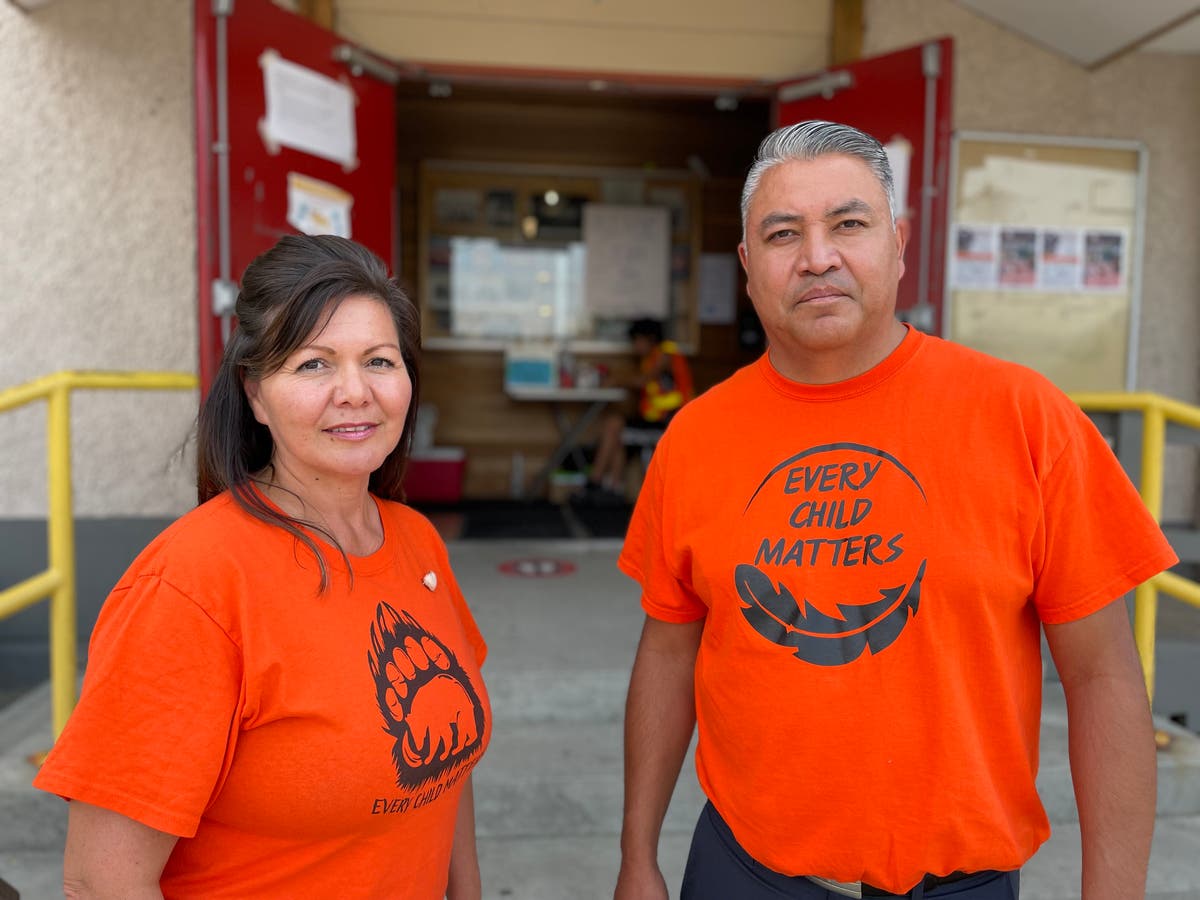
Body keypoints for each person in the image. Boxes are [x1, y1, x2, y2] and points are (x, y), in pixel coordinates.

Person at [613, 120, 1176, 900]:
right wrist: (636, 855)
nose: (818, 256)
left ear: (899, 244)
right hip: (747, 875)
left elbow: (1104, 676)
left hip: (960, 884)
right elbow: (668, 655)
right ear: (748, 267)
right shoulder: (696, 436)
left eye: (848, 223)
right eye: (784, 233)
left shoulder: (1025, 417)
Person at [34, 234, 491, 899]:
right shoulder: (194, 582)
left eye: (379, 360)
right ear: (255, 393)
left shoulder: (418, 542)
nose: (355, 392)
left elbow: (446, 774)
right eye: (314, 365)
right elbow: (101, 883)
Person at [581, 318, 693, 501]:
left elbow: (643, 380)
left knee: (613, 425)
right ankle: (611, 486)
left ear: (650, 338)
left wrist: (615, 381)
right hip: (657, 419)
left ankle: (597, 481)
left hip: (670, 422)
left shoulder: (665, 354)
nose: (634, 346)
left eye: (636, 341)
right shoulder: (651, 357)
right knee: (616, 427)